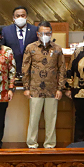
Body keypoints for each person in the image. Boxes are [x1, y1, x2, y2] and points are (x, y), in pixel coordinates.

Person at [22, 21, 66, 149]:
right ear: (37, 34)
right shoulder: (31, 48)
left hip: (52, 90)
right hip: (35, 89)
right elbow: (25, 69)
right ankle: (32, 144)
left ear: (51, 33)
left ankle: (50, 144)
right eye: (42, 33)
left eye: (47, 33)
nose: (45, 35)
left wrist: (60, 88)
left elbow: (62, 69)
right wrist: (26, 88)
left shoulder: (57, 49)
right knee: (33, 119)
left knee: (51, 119)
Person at [2, 6, 39, 77]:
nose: (20, 18)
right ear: (13, 18)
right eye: (17, 16)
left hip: (31, 69)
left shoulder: (35, 30)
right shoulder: (6, 31)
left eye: (23, 15)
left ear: (26, 17)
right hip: (12, 68)